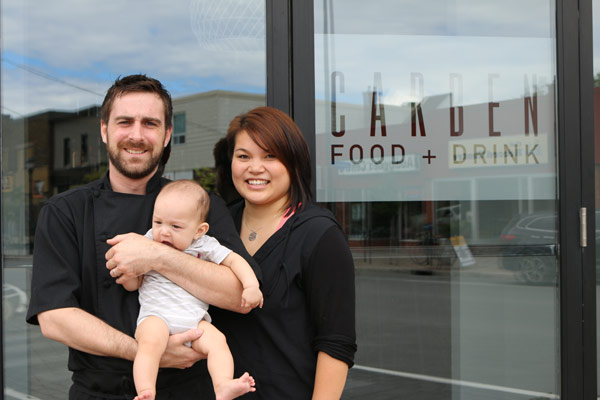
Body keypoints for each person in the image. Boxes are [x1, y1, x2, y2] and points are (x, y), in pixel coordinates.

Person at [26, 74, 256, 399]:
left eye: (150, 123)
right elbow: (54, 317)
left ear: (167, 135)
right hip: (97, 392)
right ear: (104, 130)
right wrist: (146, 352)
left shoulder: (200, 207)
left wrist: (157, 255)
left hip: (190, 390)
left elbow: (239, 296)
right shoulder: (66, 211)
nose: (136, 135)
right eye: (125, 122)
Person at [208, 106, 357, 398]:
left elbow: (336, 343)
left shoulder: (320, 235)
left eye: (270, 156)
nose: (255, 168)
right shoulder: (219, 227)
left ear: (294, 162)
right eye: (243, 156)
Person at [122, 180, 262, 400]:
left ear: (199, 230)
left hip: (195, 320)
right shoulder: (149, 241)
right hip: (156, 316)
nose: (164, 232)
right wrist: (129, 275)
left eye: (175, 227)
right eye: (158, 222)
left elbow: (235, 260)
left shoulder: (205, 245)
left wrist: (251, 285)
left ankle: (223, 385)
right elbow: (134, 284)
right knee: (149, 344)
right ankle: (146, 390)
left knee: (217, 342)